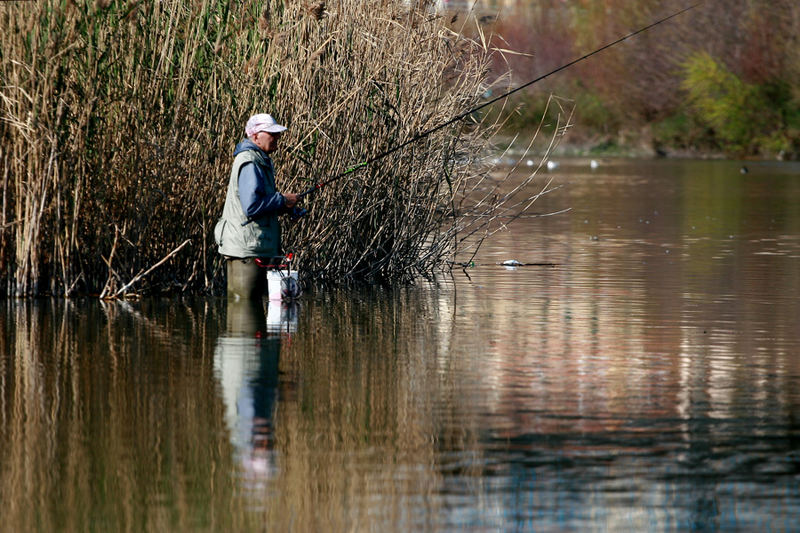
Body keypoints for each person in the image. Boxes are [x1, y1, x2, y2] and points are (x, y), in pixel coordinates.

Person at [214, 113, 300, 299]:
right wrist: (282, 200)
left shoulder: (259, 160)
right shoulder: (250, 161)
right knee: (245, 311)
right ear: (255, 136)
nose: (276, 137)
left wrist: (285, 208)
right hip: (246, 251)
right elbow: (251, 206)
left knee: (250, 316)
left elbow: (258, 204)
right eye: (271, 133)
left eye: (277, 134)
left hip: (252, 248)